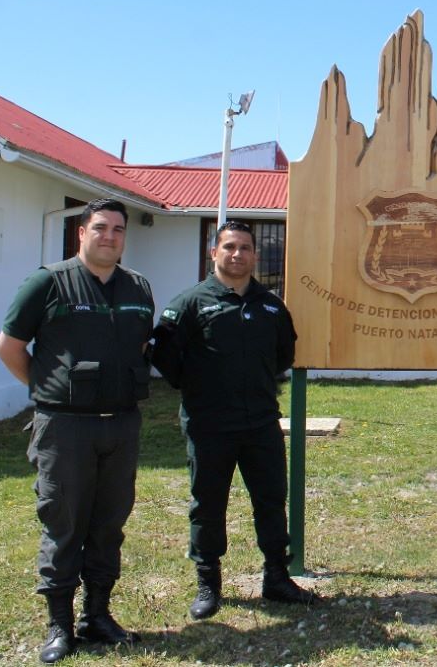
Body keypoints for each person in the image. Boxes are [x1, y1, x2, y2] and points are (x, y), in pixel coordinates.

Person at [0, 198, 155, 664]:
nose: (110, 236)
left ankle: (97, 616)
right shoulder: (47, 283)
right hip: (65, 428)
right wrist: (49, 390)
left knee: (109, 524)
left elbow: (142, 343)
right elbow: (9, 347)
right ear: (81, 233)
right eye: (100, 228)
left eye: (118, 230)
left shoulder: (137, 288)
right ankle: (59, 627)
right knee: (63, 523)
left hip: (121, 425)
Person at [150, 220, 318, 620]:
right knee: (208, 505)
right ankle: (209, 583)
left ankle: (276, 577)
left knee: (271, 501)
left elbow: (283, 355)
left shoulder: (272, 306)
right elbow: (165, 356)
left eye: (245, 247)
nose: (237, 254)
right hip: (210, 425)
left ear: (255, 255)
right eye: (229, 247)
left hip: (260, 422)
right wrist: (197, 388)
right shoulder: (190, 303)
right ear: (214, 253)